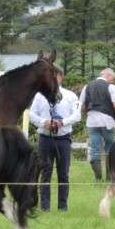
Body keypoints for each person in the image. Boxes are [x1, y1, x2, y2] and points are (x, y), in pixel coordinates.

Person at [29, 67, 81, 211]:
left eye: (55, 77)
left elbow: (77, 115)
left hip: (63, 139)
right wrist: (43, 122)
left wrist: (62, 122)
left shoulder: (70, 96)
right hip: (45, 139)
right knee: (45, 173)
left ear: (60, 78)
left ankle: (62, 206)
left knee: (63, 174)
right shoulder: (39, 96)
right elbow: (31, 114)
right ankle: (45, 207)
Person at [79, 68, 115, 182]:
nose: (112, 81)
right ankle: (109, 177)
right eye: (113, 79)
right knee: (110, 147)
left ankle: (98, 178)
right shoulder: (111, 87)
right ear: (108, 76)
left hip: (92, 122)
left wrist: (85, 114)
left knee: (94, 149)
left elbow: (82, 106)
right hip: (108, 122)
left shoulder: (87, 86)